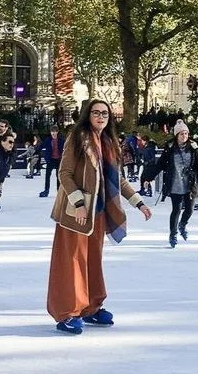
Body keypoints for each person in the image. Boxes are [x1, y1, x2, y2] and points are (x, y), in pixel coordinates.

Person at [46, 99, 152, 335]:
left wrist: (139, 202)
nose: (101, 117)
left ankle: (91, 306)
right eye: (96, 113)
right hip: (77, 211)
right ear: (88, 115)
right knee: (71, 261)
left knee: (93, 259)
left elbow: (118, 179)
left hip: (99, 210)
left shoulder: (109, 142)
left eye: (105, 113)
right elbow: (65, 173)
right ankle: (67, 311)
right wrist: (79, 203)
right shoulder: (78, 137)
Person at [156, 119, 198, 247]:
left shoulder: (193, 147)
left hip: (189, 183)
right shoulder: (170, 148)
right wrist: (147, 177)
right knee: (177, 209)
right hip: (175, 183)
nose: (184, 136)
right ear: (176, 135)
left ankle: (182, 224)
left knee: (190, 209)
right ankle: (173, 234)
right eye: (181, 134)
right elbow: (160, 164)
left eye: (186, 133)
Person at [39, 125, 65, 197]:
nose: (53, 133)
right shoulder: (48, 140)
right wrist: (35, 149)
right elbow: (41, 146)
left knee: (58, 176)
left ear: (57, 132)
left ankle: (59, 191)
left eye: (55, 131)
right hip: (50, 160)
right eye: (52, 132)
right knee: (47, 176)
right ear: (50, 132)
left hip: (59, 160)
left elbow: (66, 147)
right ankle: (46, 190)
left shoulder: (61, 140)